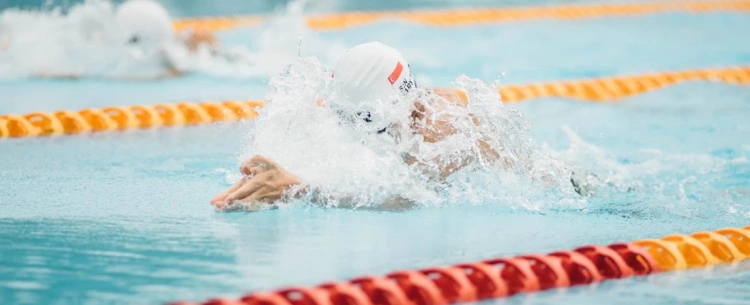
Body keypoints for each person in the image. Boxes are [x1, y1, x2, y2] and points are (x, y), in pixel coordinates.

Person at [211, 41, 507, 211]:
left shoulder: (442, 126)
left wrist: (300, 188)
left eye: (371, 127)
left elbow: (401, 199)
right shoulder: (393, 109)